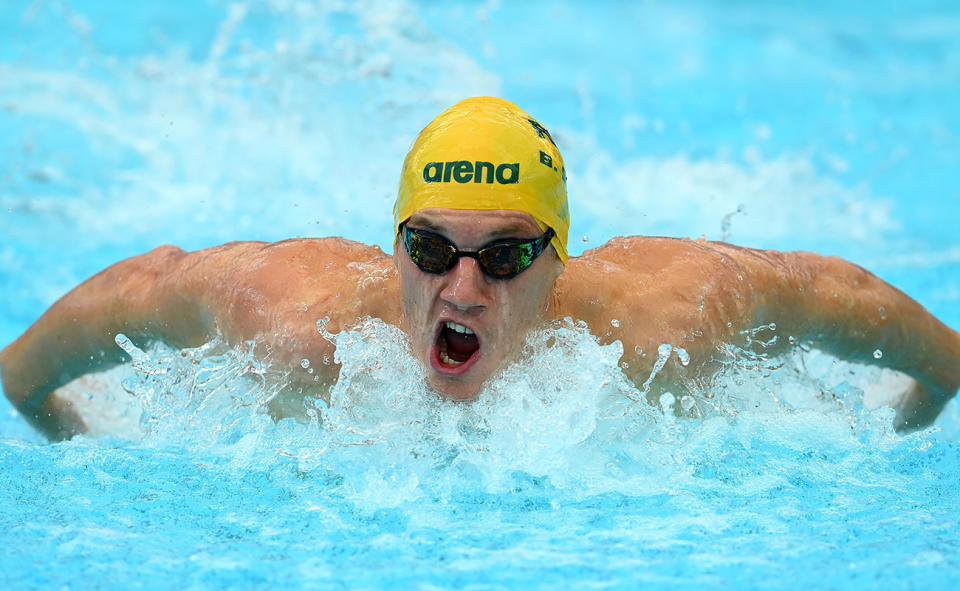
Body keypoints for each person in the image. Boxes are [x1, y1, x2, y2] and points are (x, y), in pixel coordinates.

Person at [2, 97, 958, 441]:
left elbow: (847, 298)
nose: (461, 290)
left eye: (504, 256)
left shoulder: (660, 327)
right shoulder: (298, 325)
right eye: (430, 249)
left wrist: (904, 423)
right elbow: (134, 294)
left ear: (556, 261)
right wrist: (63, 427)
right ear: (396, 247)